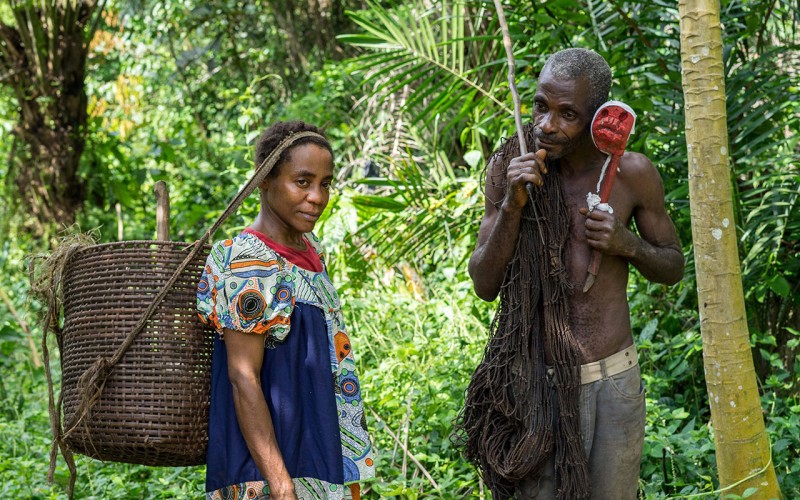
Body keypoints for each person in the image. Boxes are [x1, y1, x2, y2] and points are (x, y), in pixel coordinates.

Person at [466, 48, 684, 498]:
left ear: (599, 117)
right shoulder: (510, 168)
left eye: (568, 114)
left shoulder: (632, 174)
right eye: (541, 106)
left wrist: (626, 243)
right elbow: (485, 283)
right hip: (532, 384)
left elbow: (673, 265)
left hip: (613, 383)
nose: (547, 125)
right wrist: (513, 204)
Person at [197, 121, 375, 500]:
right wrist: (280, 486)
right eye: (302, 182)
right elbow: (242, 377)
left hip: (321, 462)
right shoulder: (248, 259)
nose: (317, 197)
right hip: (271, 475)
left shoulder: (312, 253)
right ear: (265, 180)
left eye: (325, 183)